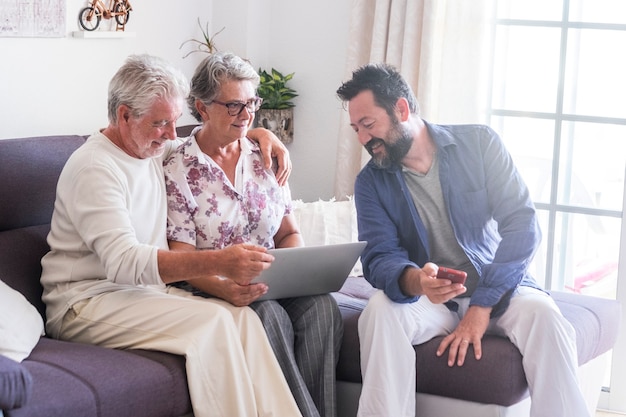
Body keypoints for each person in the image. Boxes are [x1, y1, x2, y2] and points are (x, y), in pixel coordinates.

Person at [40, 54, 304, 417]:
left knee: (245, 320)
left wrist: (259, 133)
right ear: (123, 116)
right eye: (161, 123)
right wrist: (221, 262)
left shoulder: (148, 146)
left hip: (143, 294)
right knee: (214, 322)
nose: (170, 135)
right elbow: (123, 263)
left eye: (175, 121)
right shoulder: (95, 168)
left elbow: (206, 142)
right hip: (85, 302)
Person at [336, 63, 589, 417]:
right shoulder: (370, 182)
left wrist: (481, 306)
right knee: (379, 312)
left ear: (401, 109)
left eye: (369, 125)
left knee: (545, 316)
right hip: (430, 299)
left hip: (496, 288)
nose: (363, 139)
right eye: (355, 129)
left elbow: (523, 225)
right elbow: (379, 257)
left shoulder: (479, 144)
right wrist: (417, 281)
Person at [163, 51, 343, 417]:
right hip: (214, 286)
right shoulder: (177, 169)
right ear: (202, 106)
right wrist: (228, 286)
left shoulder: (265, 156)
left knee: (324, 308)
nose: (247, 116)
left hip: (274, 282)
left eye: (251, 104)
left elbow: (288, 232)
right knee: (269, 316)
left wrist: (297, 272)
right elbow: (180, 259)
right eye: (234, 106)